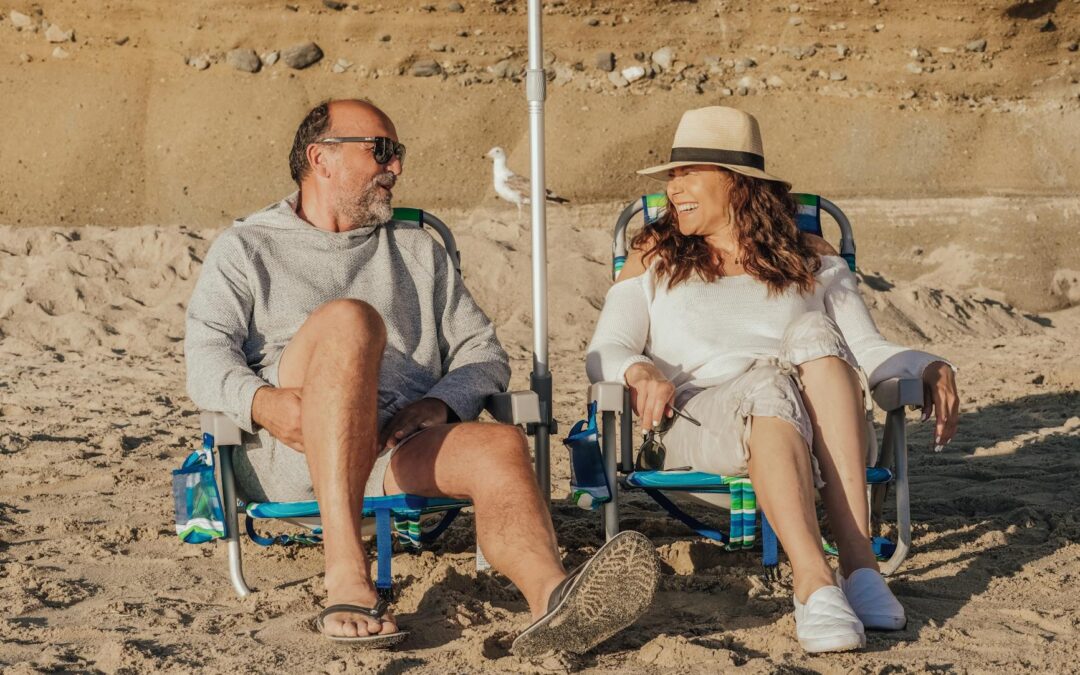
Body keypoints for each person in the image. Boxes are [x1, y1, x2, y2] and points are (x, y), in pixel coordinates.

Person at [185, 99, 659, 654]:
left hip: (394, 447)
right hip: (296, 450)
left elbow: (482, 352)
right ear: (321, 158)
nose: (397, 166)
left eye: (398, 152)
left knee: (501, 445)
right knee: (350, 320)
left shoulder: (417, 251)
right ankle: (346, 572)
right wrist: (262, 403)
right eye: (382, 150)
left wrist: (441, 404)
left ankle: (553, 600)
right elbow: (205, 357)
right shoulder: (248, 247)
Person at [586, 107, 959, 653]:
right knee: (768, 383)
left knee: (814, 331)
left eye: (688, 173)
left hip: (816, 426)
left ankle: (859, 568)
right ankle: (813, 579)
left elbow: (866, 350)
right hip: (698, 422)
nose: (674, 189)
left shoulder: (809, 258)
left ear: (736, 183)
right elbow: (605, 350)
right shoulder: (654, 256)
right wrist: (637, 369)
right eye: (671, 176)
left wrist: (927, 365)